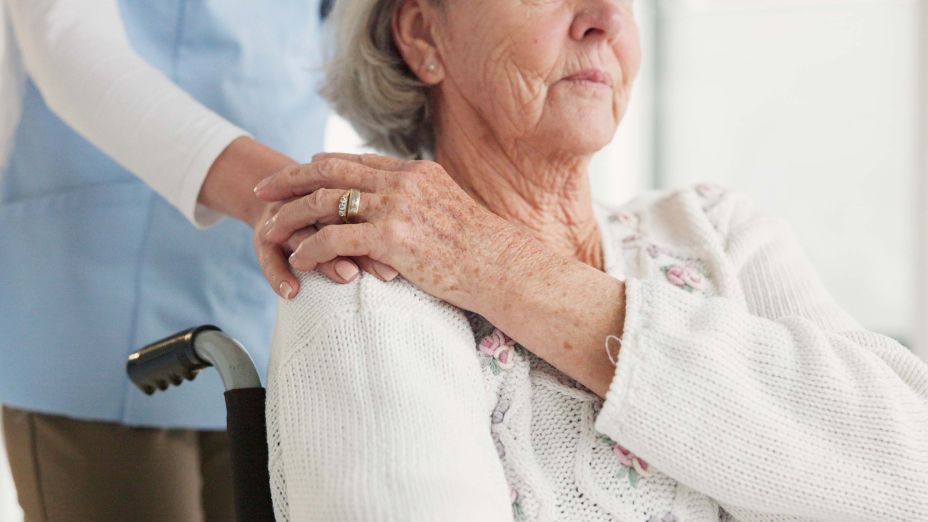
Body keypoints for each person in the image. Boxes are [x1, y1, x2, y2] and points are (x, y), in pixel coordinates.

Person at [259, 0, 928, 520]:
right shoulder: (368, 280)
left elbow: (913, 466)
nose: (607, 18)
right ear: (424, 35)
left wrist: (500, 265)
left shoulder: (716, 230)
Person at [0, 0, 384, 520]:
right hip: (98, 284)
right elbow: (67, 43)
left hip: (268, 292)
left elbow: (370, 43)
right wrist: (276, 194)